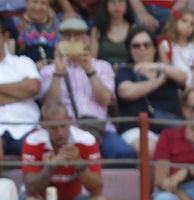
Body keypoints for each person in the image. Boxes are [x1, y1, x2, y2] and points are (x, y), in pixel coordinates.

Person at [39, 16, 135, 159]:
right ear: (60, 42)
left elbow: (105, 100)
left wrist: (90, 70)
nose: (72, 41)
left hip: (99, 128)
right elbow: (49, 104)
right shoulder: (48, 70)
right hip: (65, 131)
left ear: (87, 40)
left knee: (124, 153)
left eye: (77, 36)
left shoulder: (102, 66)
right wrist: (58, 72)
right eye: (67, 37)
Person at [19, 98, 104, 200]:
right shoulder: (33, 141)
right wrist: (49, 168)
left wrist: (79, 162)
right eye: (54, 128)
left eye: (63, 126)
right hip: (41, 199)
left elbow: (97, 190)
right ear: (44, 125)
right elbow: (31, 191)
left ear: (70, 120)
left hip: (76, 198)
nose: (60, 133)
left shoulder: (86, 140)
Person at [115, 25, 183, 151]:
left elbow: (184, 78)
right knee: (149, 149)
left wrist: (158, 66)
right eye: (136, 46)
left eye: (147, 45)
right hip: (138, 129)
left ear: (154, 48)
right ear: (129, 49)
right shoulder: (126, 71)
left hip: (172, 127)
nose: (142, 49)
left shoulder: (165, 69)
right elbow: (126, 92)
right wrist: (159, 81)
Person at [0, 17, 41, 160]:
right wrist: (20, 91)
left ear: (5, 36)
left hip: (27, 127)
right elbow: (27, 90)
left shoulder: (23, 62)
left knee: (42, 146)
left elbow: (33, 88)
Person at [160, 7, 194, 79]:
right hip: (172, 81)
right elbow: (166, 68)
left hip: (191, 82)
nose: (188, 25)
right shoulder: (165, 44)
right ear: (174, 22)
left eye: (192, 24)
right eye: (184, 21)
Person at [13, 0, 61, 65]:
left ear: (48, 6)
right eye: (34, 2)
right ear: (26, 2)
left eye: (43, 3)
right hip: (25, 68)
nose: (38, 7)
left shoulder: (55, 23)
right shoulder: (15, 23)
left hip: (53, 67)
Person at [92, 0, 135, 65]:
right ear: (106, 5)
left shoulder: (134, 29)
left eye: (120, 1)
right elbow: (93, 59)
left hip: (128, 71)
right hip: (104, 72)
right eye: (112, 1)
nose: (117, 5)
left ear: (127, 5)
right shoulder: (97, 30)